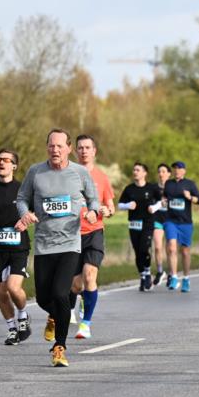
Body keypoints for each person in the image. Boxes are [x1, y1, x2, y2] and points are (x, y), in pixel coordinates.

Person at [15, 128, 100, 367]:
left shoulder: (80, 172)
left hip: (70, 243)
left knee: (61, 294)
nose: (55, 150)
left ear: (69, 148)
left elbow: (93, 199)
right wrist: (25, 214)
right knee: (44, 298)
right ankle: (55, 315)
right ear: (47, 148)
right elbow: (22, 198)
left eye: (60, 146)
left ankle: (59, 347)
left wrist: (93, 212)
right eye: (51, 145)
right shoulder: (36, 172)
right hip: (44, 244)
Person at [0, 148, 32, 345]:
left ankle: (23, 315)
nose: (1, 163)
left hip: (19, 247)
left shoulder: (23, 190)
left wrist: (25, 221)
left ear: (14, 166)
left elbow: (35, 212)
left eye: (6, 160)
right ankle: (12, 329)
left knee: (13, 287)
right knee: (2, 292)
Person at [69, 134, 115, 340]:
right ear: (75, 151)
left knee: (89, 276)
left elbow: (111, 207)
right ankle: (77, 301)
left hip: (94, 232)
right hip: (71, 234)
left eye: (88, 147)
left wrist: (106, 211)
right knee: (75, 285)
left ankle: (85, 323)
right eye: (80, 148)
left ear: (94, 151)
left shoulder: (102, 177)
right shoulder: (67, 175)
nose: (84, 151)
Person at [118, 162, 162, 291]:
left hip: (147, 222)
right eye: (134, 170)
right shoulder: (129, 189)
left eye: (138, 170)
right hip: (134, 223)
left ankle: (147, 272)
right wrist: (128, 205)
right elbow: (120, 205)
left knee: (144, 248)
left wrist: (154, 208)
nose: (135, 172)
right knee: (137, 251)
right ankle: (143, 276)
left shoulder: (152, 188)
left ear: (144, 173)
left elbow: (161, 202)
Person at [163, 161, 199, 292]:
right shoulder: (168, 184)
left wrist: (190, 197)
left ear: (184, 171)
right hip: (171, 221)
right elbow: (164, 197)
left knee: (185, 251)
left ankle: (186, 278)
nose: (177, 171)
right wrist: (163, 201)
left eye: (179, 168)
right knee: (171, 247)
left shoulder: (190, 184)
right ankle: (174, 276)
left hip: (185, 222)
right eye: (175, 168)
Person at [152, 163, 171, 285]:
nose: (161, 174)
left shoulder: (173, 187)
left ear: (169, 174)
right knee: (158, 247)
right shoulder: (153, 188)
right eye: (159, 171)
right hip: (157, 220)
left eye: (164, 171)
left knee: (170, 249)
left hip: (170, 220)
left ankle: (171, 273)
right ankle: (160, 271)